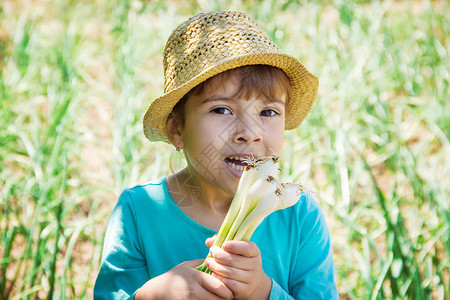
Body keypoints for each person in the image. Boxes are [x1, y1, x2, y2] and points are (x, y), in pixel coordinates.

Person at [94, 10, 338, 300]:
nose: (250, 132)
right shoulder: (138, 212)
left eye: (268, 111)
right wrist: (150, 296)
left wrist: (264, 291)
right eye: (221, 109)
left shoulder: (299, 216)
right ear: (177, 130)